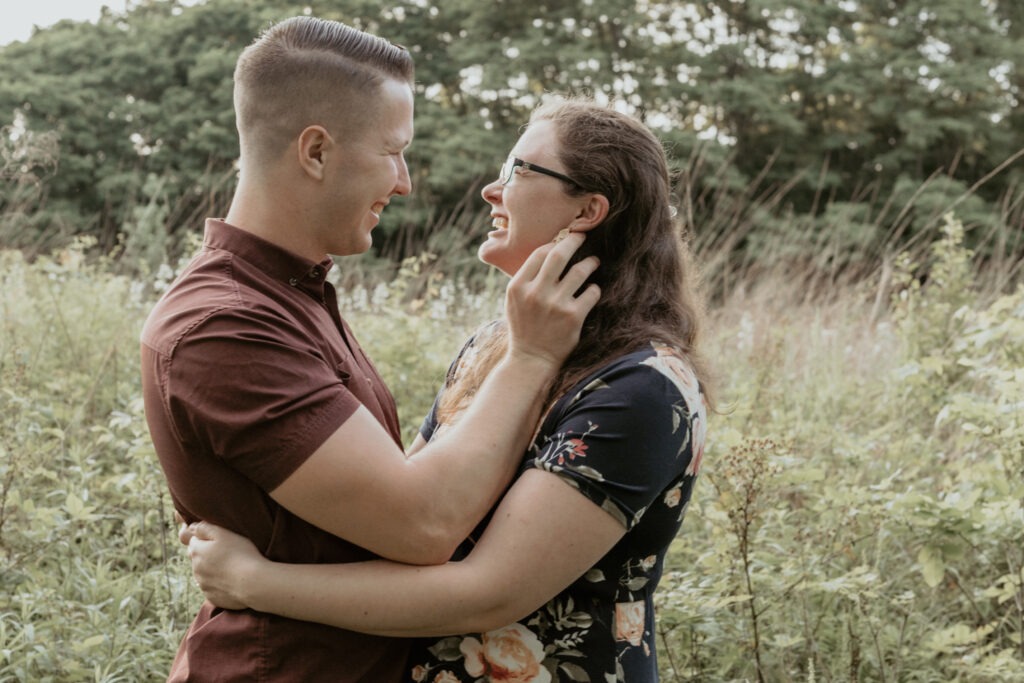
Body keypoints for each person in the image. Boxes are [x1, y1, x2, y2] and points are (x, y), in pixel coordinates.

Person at [182, 98, 712, 682]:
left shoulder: (642, 387)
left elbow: (488, 593)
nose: (491, 189)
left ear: (586, 210)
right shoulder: (496, 347)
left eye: (517, 170)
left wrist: (257, 583)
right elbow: (420, 516)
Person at [140, 16, 599, 682]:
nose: (406, 181)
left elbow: (387, 487)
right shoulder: (224, 327)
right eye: (393, 151)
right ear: (317, 152)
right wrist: (529, 357)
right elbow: (422, 522)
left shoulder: (291, 292)